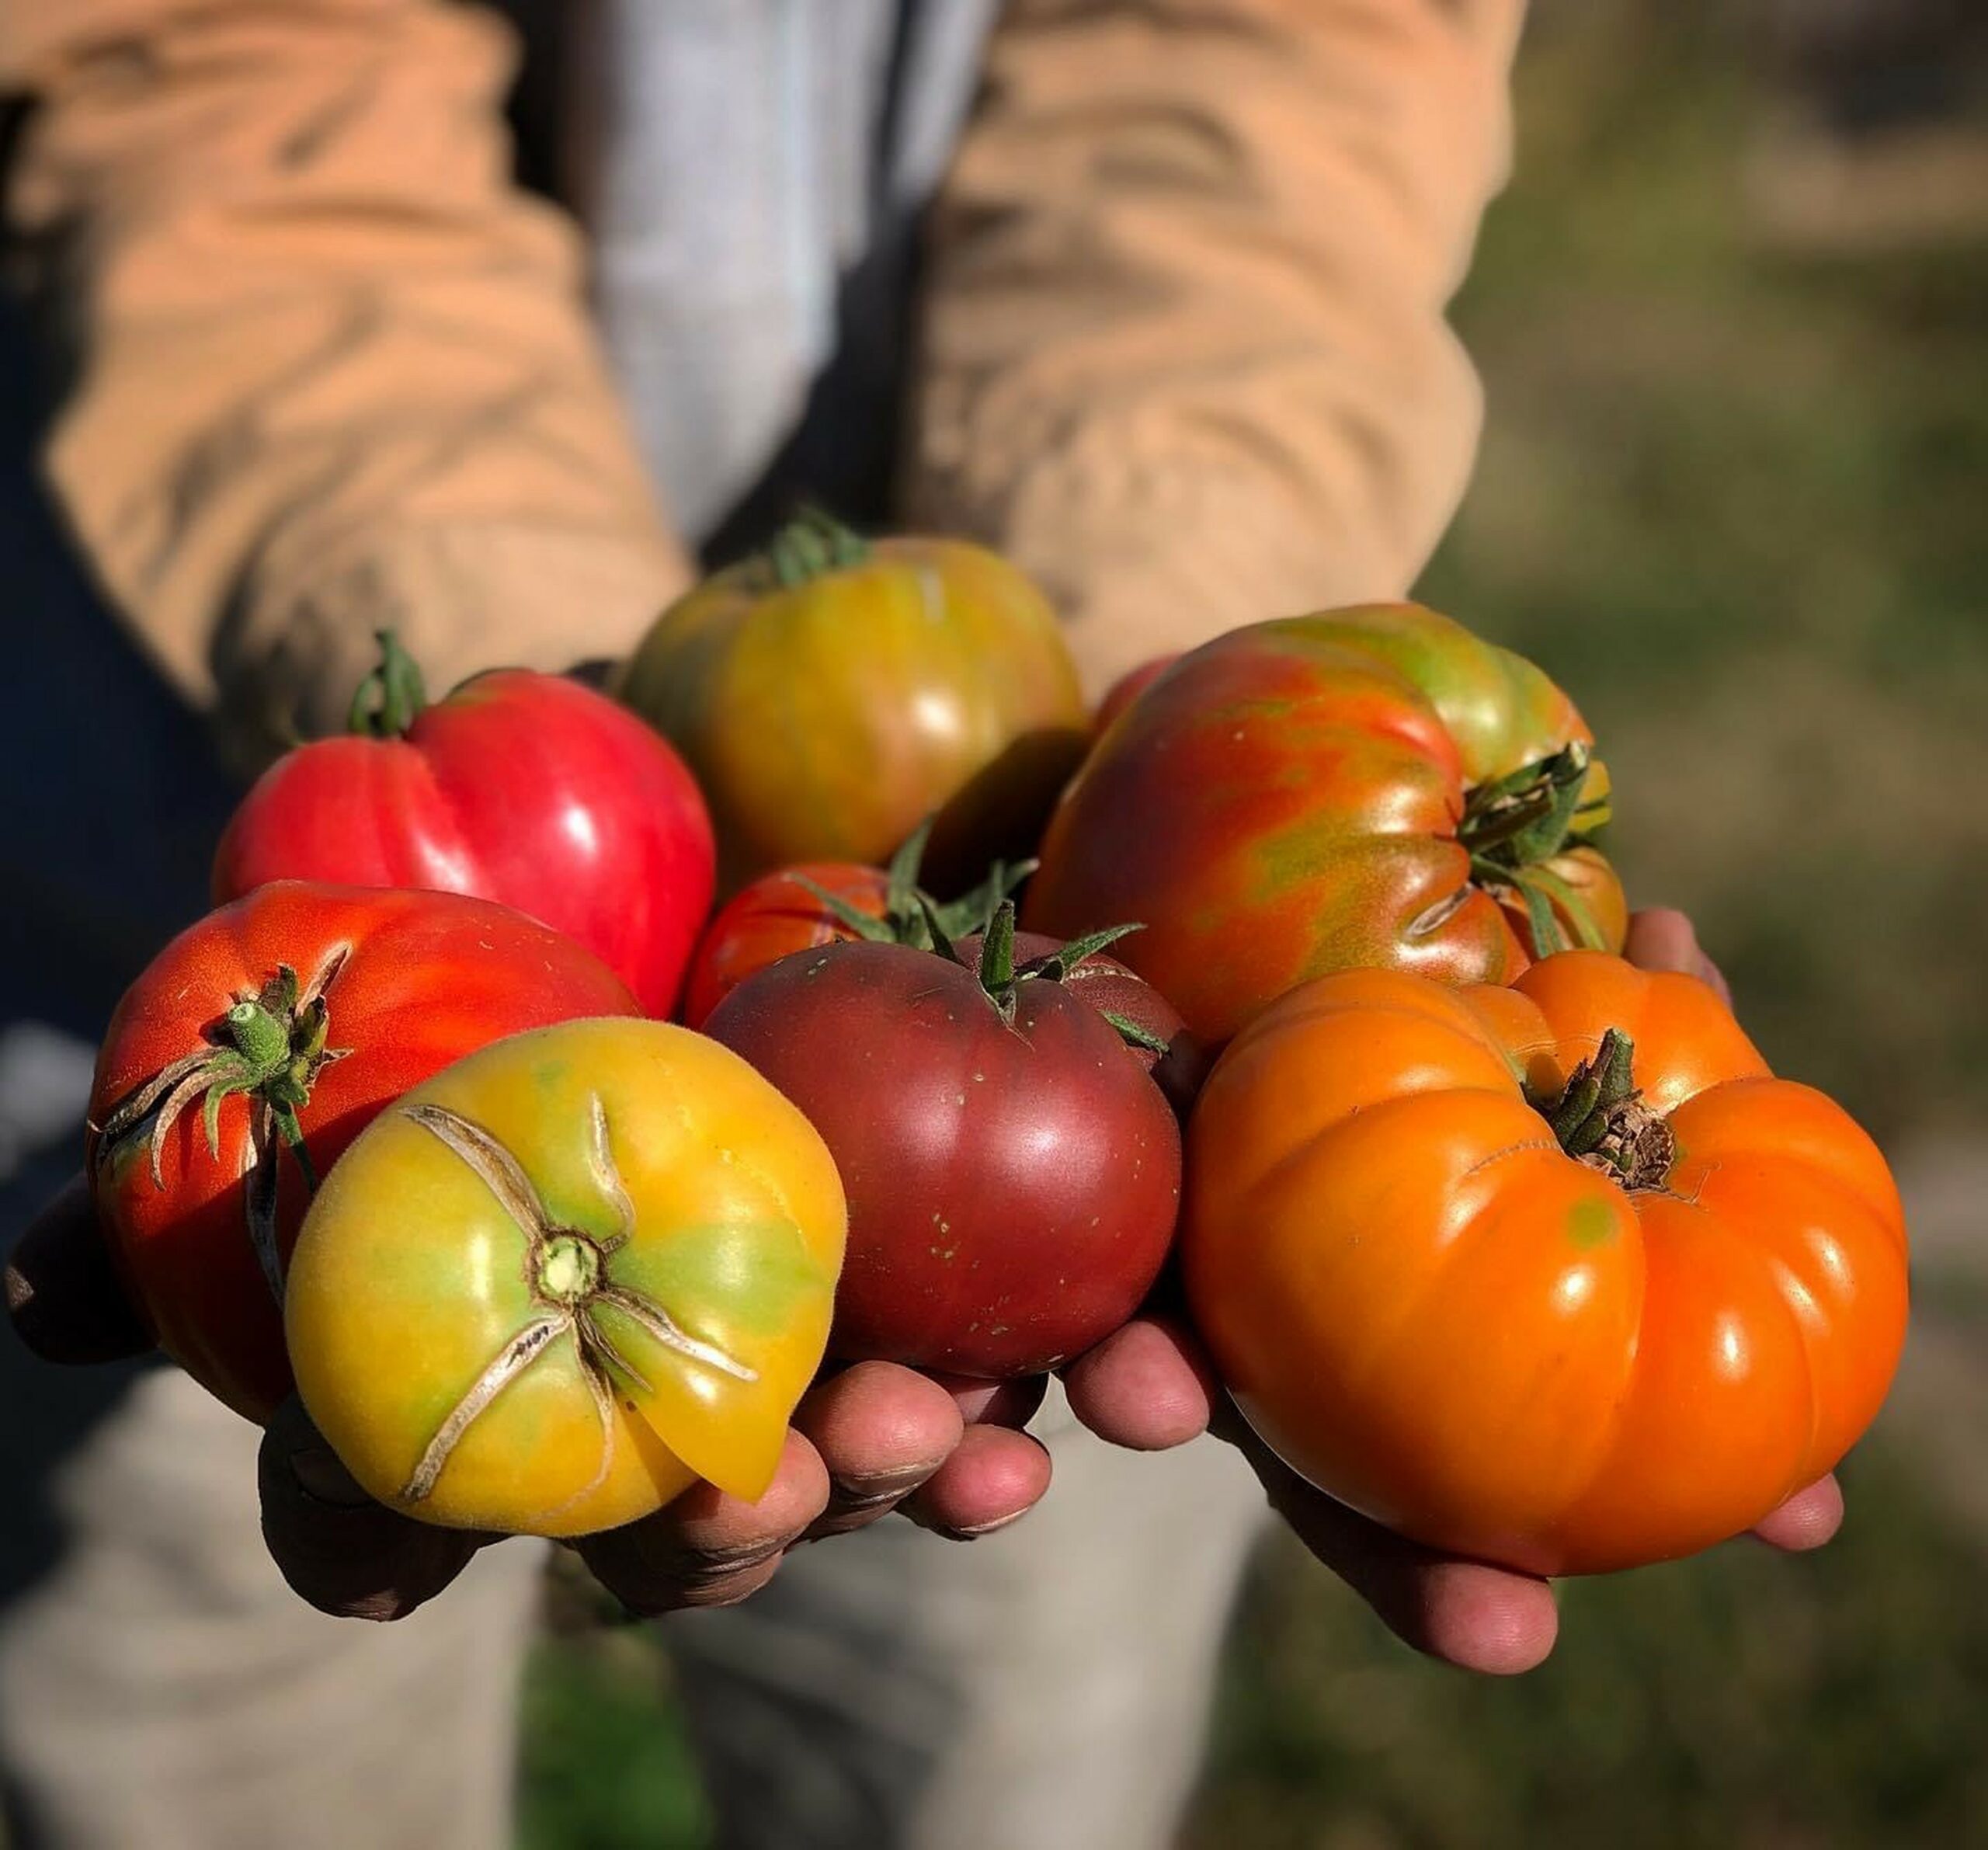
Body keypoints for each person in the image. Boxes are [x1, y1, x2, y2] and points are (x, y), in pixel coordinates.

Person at [0, 4, 1845, 1847]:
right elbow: (204, 56)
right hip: (197, 869)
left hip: (1129, 1097)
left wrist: (1158, 690)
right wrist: (537, 724)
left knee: (988, 1751)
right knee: (209, 1732)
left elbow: (1269, 61)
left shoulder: (1244, 1031)